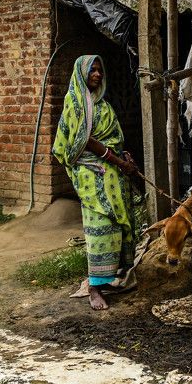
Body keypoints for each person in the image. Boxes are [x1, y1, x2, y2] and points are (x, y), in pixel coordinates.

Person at [53, 55, 139, 310]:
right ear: (81, 73)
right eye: (93, 70)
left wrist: (124, 156)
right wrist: (114, 159)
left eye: (100, 70)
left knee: (116, 227)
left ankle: (111, 275)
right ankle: (94, 287)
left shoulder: (102, 104)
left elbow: (112, 136)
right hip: (92, 173)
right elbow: (85, 140)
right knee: (100, 226)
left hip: (113, 170)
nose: (98, 75)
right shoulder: (76, 103)